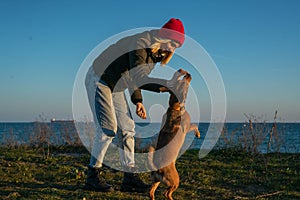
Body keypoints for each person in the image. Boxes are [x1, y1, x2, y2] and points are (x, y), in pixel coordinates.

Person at [84, 18, 185, 192]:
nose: (172, 49)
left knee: (128, 128)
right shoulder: (141, 43)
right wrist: (168, 85)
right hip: (100, 78)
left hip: (116, 84)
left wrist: (138, 101)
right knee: (108, 129)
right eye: (172, 43)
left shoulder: (156, 52)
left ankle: (129, 177)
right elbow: (138, 77)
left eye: (176, 46)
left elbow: (132, 77)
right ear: (164, 36)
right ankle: (92, 177)